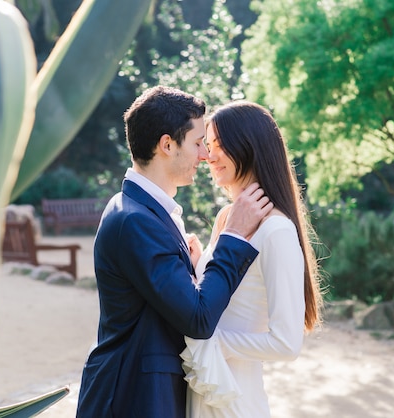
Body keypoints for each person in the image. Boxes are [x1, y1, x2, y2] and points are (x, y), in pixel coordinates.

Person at [76, 86, 273, 418]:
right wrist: (234, 237)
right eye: (198, 143)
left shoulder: (146, 211)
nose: (206, 156)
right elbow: (197, 319)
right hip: (134, 399)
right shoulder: (135, 221)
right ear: (167, 145)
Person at [181, 100, 324, 417]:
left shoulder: (276, 231)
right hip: (204, 389)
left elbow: (287, 344)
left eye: (219, 145)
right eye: (206, 144)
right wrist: (195, 268)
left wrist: (213, 342)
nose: (208, 156)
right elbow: (220, 299)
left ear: (249, 147)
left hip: (234, 399)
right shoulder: (227, 220)